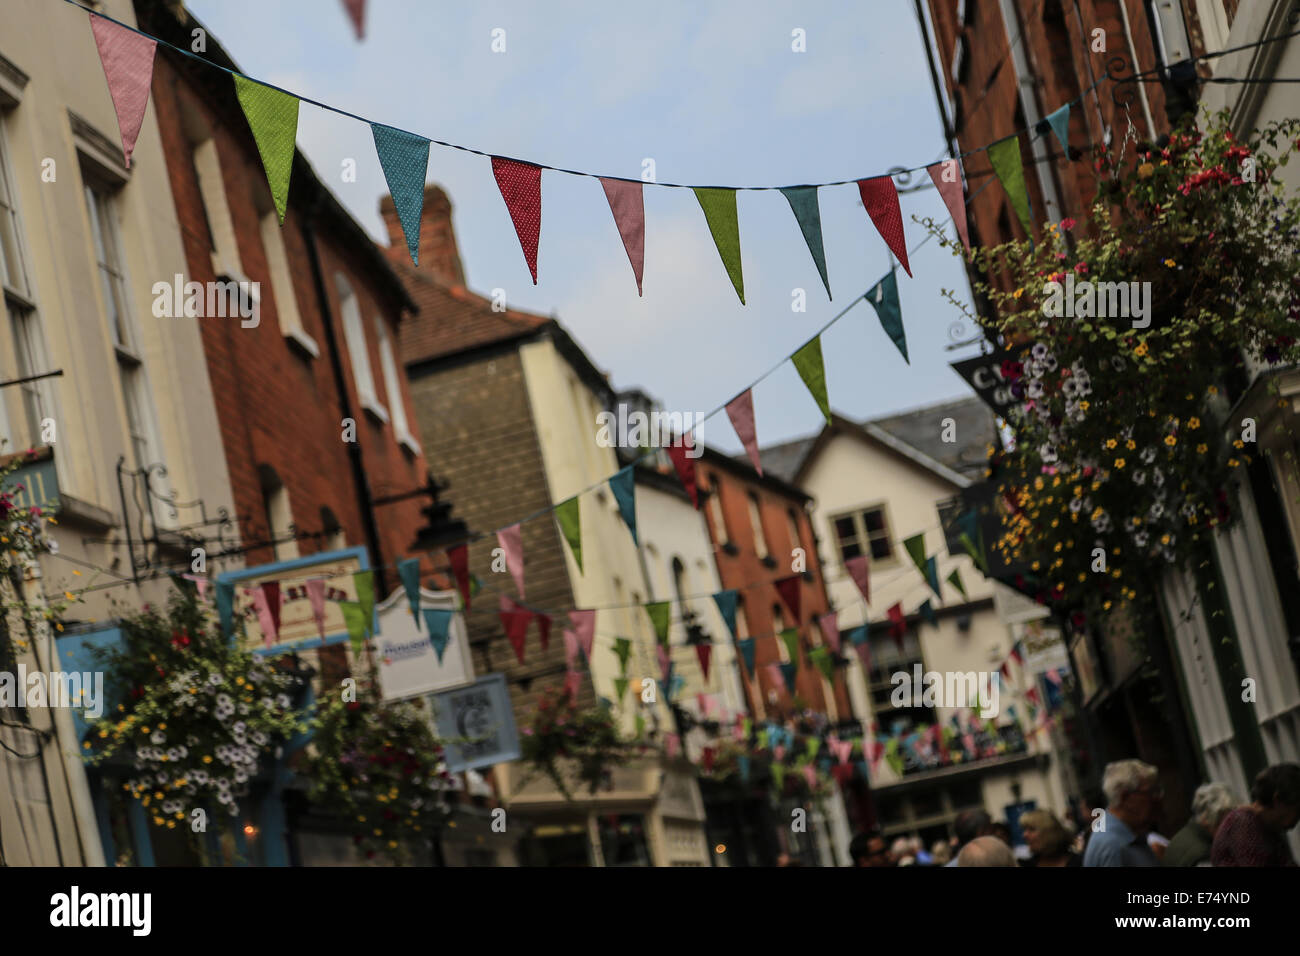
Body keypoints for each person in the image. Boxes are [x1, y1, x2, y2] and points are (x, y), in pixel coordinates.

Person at [1210, 763, 1300, 867]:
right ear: (1277, 801)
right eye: (1297, 810)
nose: (1297, 818)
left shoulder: (1266, 827)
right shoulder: (1243, 825)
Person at [1083, 760, 1162, 866]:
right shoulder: (1112, 845)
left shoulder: (1126, 835)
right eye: (1149, 793)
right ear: (1125, 798)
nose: (1156, 798)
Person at [1164, 782, 1237, 867]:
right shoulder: (1203, 855)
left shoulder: (1183, 836)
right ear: (1207, 819)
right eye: (1226, 822)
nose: (1230, 829)